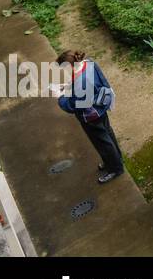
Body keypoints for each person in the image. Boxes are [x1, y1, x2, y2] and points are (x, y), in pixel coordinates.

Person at [53, 51, 123, 184]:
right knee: (107, 133)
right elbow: (99, 81)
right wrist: (68, 86)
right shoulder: (89, 63)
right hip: (101, 104)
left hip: (90, 116)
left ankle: (115, 168)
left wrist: (59, 97)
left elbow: (71, 106)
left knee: (102, 142)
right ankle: (116, 159)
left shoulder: (81, 83)